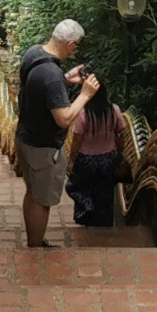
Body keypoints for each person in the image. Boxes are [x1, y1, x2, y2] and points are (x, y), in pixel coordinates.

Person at [15, 19, 100, 249]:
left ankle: (34, 240)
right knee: (42, 201)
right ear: (71, 45)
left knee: (33, 193)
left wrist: (66, 80)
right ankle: (35, 246)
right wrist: (85, 94)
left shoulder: (34, 54)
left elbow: (39, 88)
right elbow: (63, 119)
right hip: (43, 147)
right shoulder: (52, 74)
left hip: (25, 136)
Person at [65, 97, 130, 229]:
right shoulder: (114, 110)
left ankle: (87, 208)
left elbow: (77, 140)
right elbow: (120, 135)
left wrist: (71, 160)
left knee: (77, 186)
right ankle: (103, 225)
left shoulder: (83, 113)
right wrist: (119, 155)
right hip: (108, 159)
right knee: (105, 193)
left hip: (86, 161)